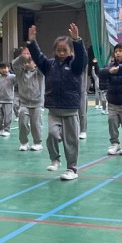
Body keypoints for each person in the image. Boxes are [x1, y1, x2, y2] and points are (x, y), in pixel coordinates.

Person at [27, 23, 87, 180]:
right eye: (58, 50)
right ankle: (55, 159)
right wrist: (32, 43)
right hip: (54, 109)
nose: (61, 53)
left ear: (70, 51)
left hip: (70, 110)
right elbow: (38, 58)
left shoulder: (75, 66)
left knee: (71, 141)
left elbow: (82, 58)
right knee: (52, 135)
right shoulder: (49, 65)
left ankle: (72, 168)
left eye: (64, 50)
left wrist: (77, 41)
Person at [12, 46, 45, 151]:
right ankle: (24, 142)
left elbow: (43, 64)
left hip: (37, 104)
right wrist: (23, 57)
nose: (26, 64)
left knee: (36, 125)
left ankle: (37, 143)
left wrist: (34, 54)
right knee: (22, 123)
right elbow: (14, 64)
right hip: (24, 103)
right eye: (25, 63)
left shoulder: (39, 73)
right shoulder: (20, 74)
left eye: (29, 62)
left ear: (35, 64)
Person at [0, 62, 17, 137]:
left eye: (5, 68)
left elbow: (19, 78)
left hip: (8, 100)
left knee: (8, 116)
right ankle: (0, 129)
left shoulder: (12, 77)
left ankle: (7, 130)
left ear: (8, 68)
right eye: (1, 68)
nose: (3, 70)